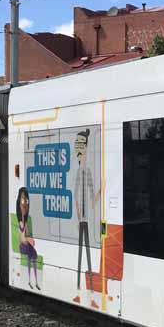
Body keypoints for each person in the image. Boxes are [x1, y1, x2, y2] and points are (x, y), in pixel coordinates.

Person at [72, 129, 100, 309]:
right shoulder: (78, 172)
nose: (78, 148)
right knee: (81, 256)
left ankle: (90, 295)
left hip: (87, 221)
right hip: (81, 220)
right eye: (77, 145)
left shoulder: (88, 172)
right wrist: (78, 216)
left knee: (87, 256)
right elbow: (75, 197)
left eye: (81, 145)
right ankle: (78, 292)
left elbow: (91, 198)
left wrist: (101, 189)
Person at [16, 187, 40, 290]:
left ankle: (33, 281)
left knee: (33, 258)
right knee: (33, 257)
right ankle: (31, 281)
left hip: (27, 244)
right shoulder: (20, 220)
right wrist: (29, 240)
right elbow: (22, 238)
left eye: (26, 200)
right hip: (23, 245)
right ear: (18, 201)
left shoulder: (26, 218)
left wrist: (30, 239)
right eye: (22, 200)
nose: (24, 202)